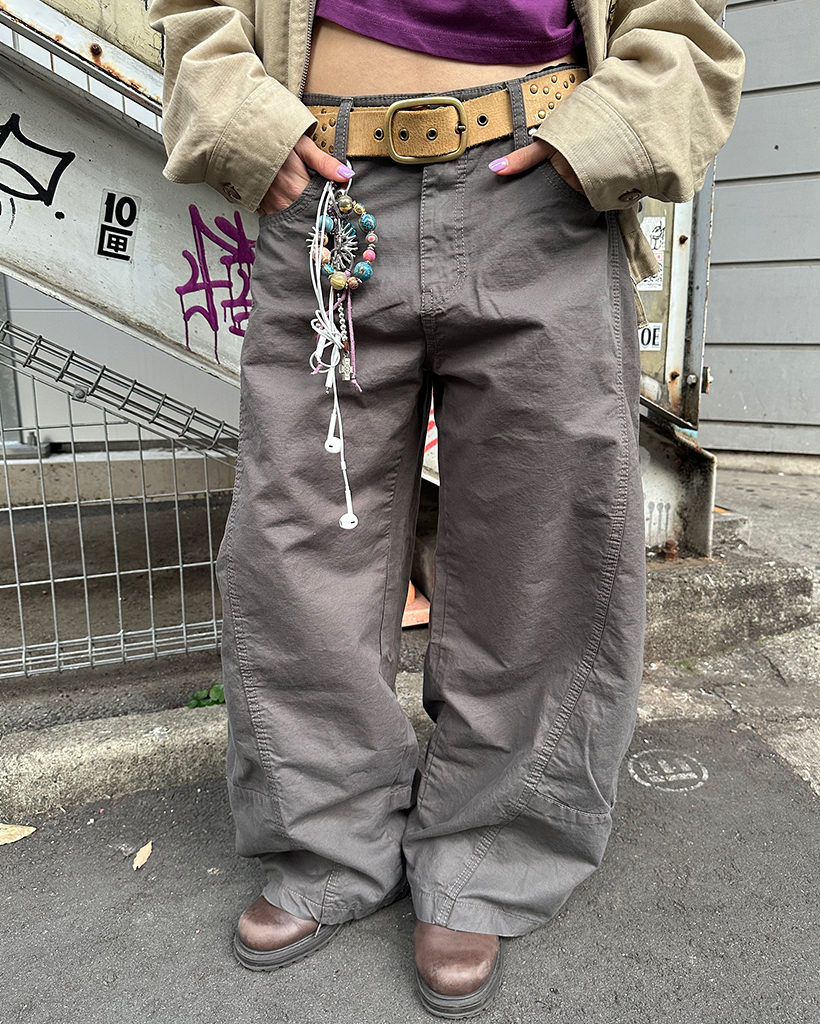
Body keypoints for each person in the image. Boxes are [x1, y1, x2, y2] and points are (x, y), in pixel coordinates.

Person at [147, 0, 744, 1015]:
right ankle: (326, 839)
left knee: (539, 542)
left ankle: (491, 851)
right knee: (299, 542)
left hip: (539, 187)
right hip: (328, 186)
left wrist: (607, 135)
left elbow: (681, 21)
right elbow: (191, 10)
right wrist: (245, 121)